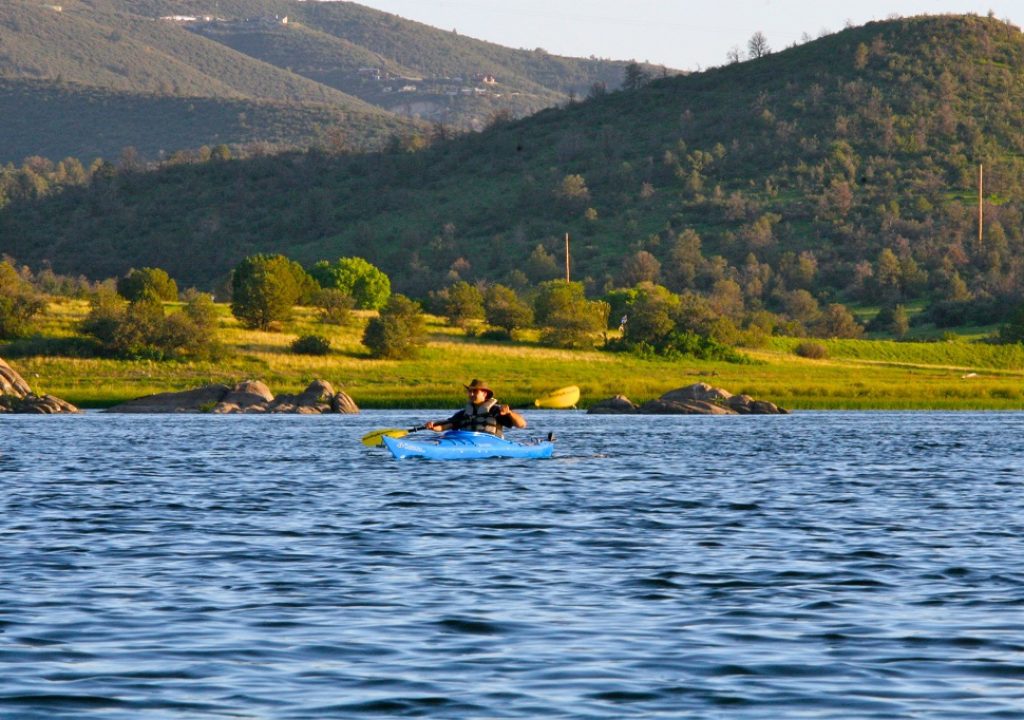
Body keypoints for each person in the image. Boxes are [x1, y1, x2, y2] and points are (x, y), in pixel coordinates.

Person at [425, 379, 527, 438]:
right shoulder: (463, 413)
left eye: (475, 391)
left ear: (484, 393)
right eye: (470, 391)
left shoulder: (496, 411)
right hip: (467, 442)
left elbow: (522, 424)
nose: (471, 394)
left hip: (492, 445)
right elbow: (444, 426)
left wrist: (510, 413)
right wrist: (433, 426)